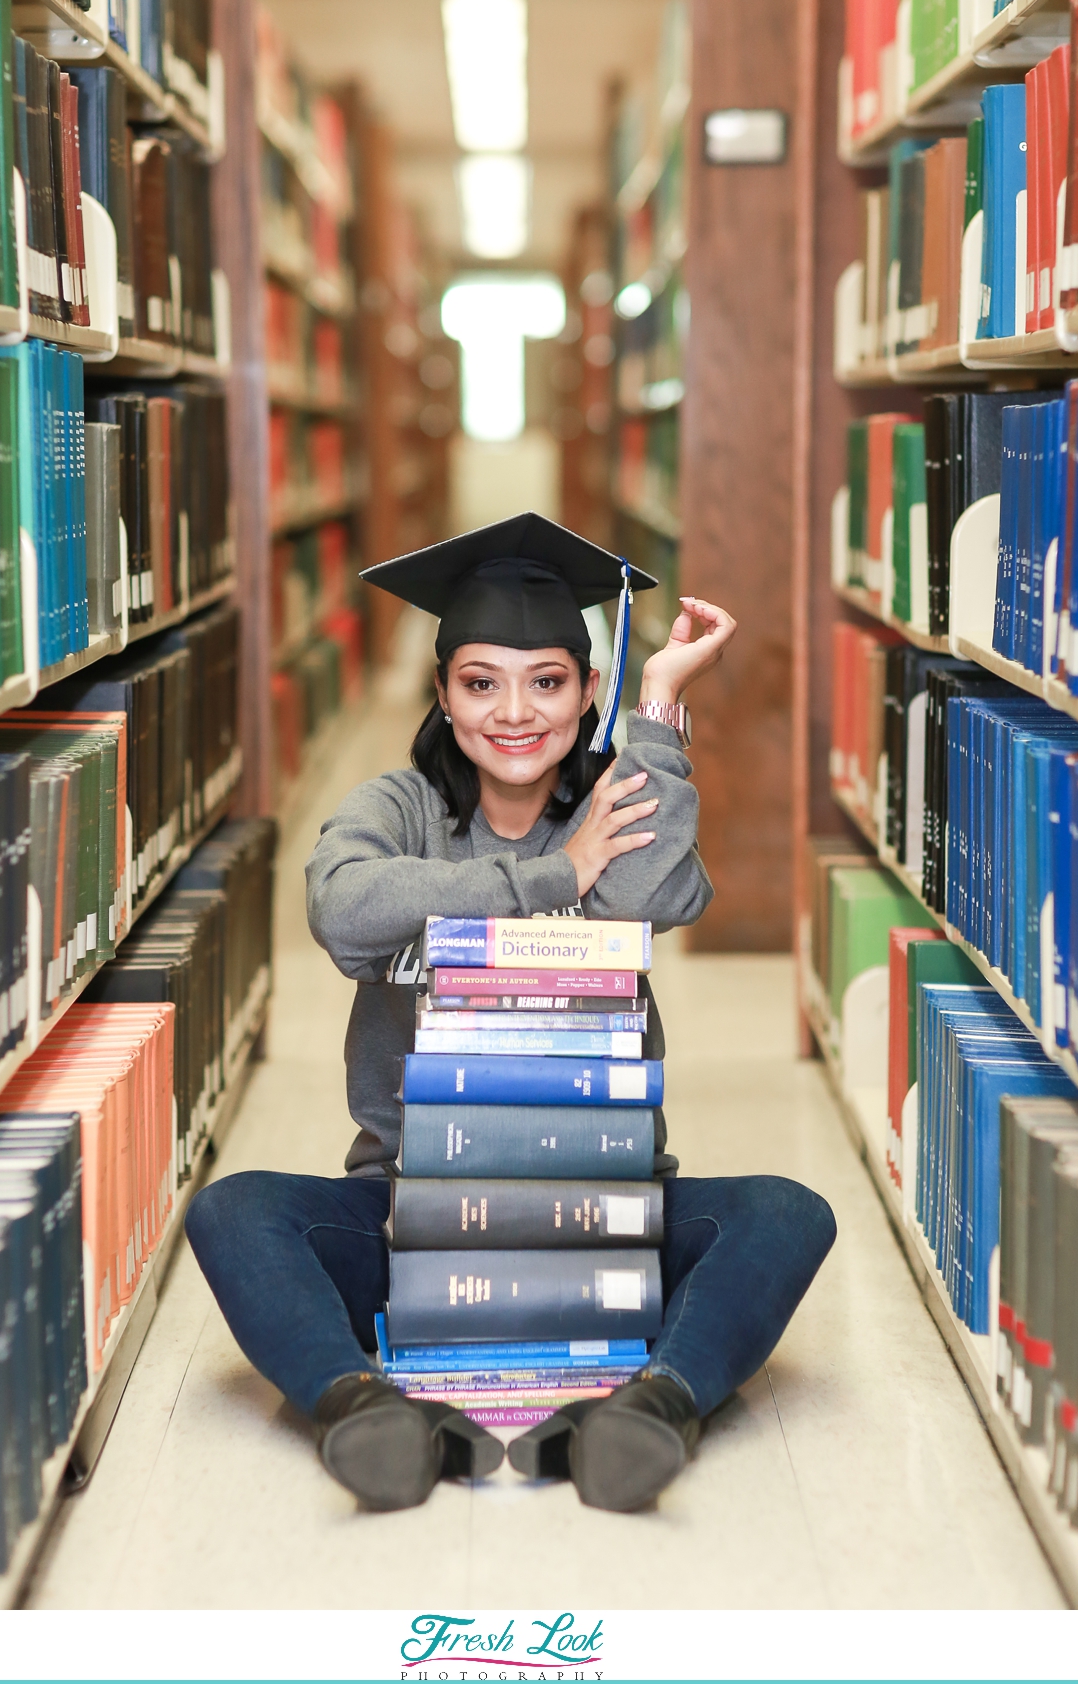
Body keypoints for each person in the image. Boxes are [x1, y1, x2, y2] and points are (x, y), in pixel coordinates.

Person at [186, 514, 836, 1514]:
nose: (514, 713)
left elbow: (655, 896)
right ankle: (365, 1409)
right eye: (481, 682)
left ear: (587, 694)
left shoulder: (610, 804)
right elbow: (342, 908)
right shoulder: (399, 807)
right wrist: (546, 879)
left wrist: (657, 707)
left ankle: (649, 1410)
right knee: (233, 1212)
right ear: (443, 696)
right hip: (416, 1211)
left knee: (789, 1214)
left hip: (603, 1211)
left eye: (548, 681)